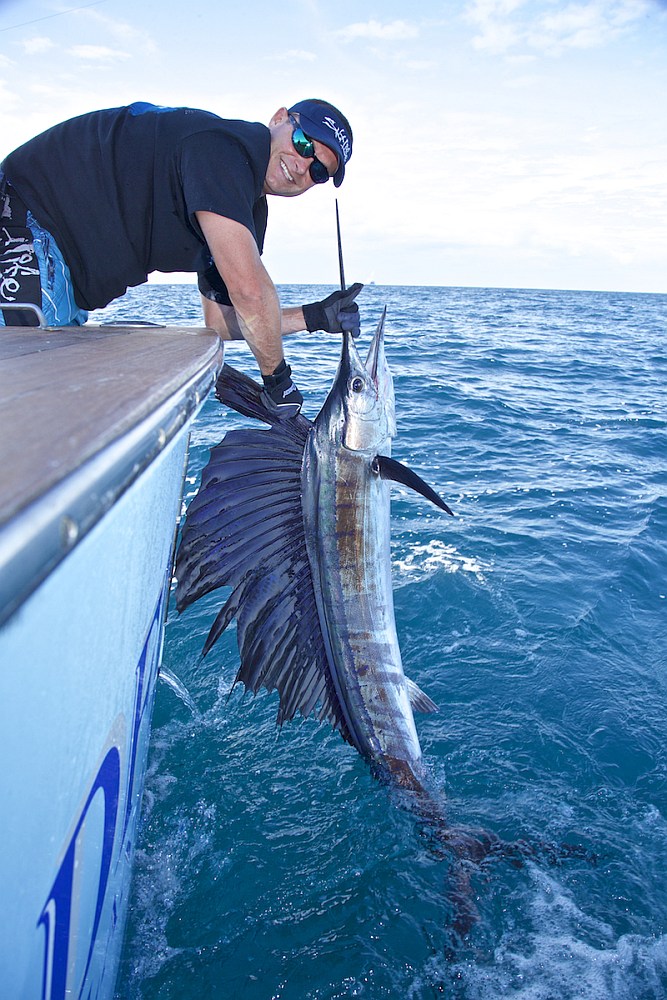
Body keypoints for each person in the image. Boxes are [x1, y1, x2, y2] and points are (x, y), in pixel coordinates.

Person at [0, 99, 363, 415]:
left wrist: (313, 317)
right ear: (279, 118)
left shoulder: (246, 210)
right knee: (25, 409)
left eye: (318, 170)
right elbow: (250, 292)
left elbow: (220, 322)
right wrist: (278, 380)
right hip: (25, 221)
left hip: (64, 280)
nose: (302, 166)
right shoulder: (226, 149)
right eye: (303, 144)